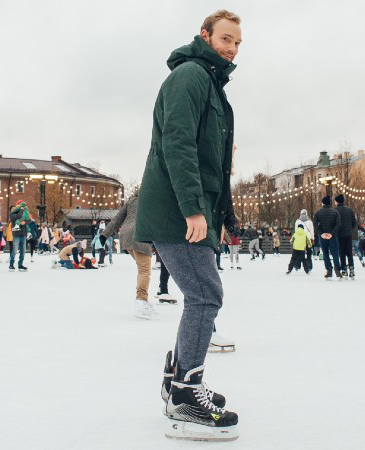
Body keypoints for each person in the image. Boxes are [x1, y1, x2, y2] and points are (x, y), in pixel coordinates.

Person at [134, 10, 241, 441]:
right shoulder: (192, 76)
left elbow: (215, 161)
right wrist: (193, 209)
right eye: (226, 39)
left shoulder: (210, 84)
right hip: (178, 212)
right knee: (205, 295)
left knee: (201, 294)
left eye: (238, 43)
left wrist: (221, 215)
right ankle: (184, 393)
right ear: (205, 35)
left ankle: (177, 380)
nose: (232, 49)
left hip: (191, 211)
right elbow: (177, 144)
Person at [101, 191, 157, 319]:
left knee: (141, 269)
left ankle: (142, 300)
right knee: (144, 271)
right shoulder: (153, 198)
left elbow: (117, 218)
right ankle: (141, 301)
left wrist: (105, 234)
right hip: (141, 233)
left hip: (125, 235)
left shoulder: (132, 200)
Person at [314, 196, 342, 279]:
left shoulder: (318, 212)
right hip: (332, 237)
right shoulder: (335, 212)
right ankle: (337, 270)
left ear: (323, 203)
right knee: (335, 253)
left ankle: (329, 271)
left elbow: (315, 224)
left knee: (325, 253)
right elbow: (338, 224)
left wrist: (321, 234)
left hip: (322, 236)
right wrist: (332, 234)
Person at [334, 194, 357, 279]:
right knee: (349, 252)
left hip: (339, 235)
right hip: (348, 234)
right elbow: (354, 222)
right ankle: (351, 269)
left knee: (341, 252)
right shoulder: (349, 210)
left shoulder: (335, 210)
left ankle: (344, 270)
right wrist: (349, 229)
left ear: (337, 201)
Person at [8, 200, 29, 271]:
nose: (14, 209)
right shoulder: (12, 215)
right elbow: (18, 216)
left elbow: (29, 220)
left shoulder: (23, 214)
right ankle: (11, 264)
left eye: (15, 208)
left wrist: (24, 222)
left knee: (23, 251)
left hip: (23, 234)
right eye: (13, 208)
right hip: (16, 234)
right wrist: (21, 209)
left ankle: (20, 264)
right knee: (14, 250)